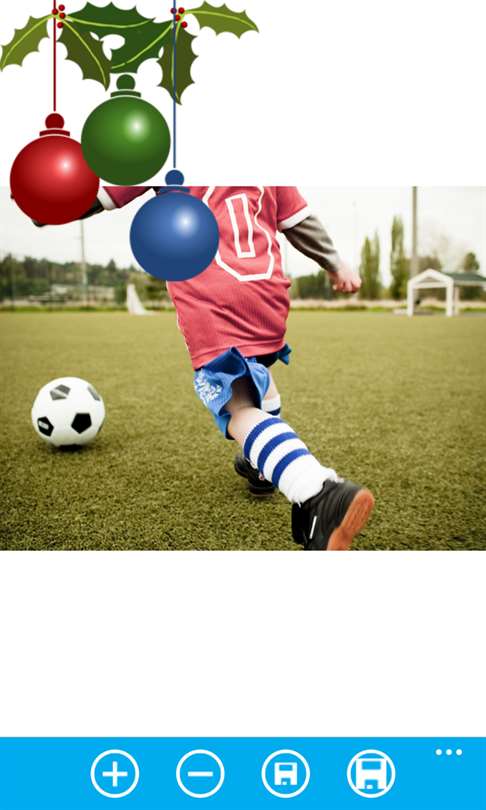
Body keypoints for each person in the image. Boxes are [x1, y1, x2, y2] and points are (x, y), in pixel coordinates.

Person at [41, 186, 375, 549]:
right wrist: (336, 264)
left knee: (237, 407)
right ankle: (261, 465)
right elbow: (299, 221)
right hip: (267, 291)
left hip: (212, 295)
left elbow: (103, 193)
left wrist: (46, 203)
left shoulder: (169, 154)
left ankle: (318, 490)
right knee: (255, 370)